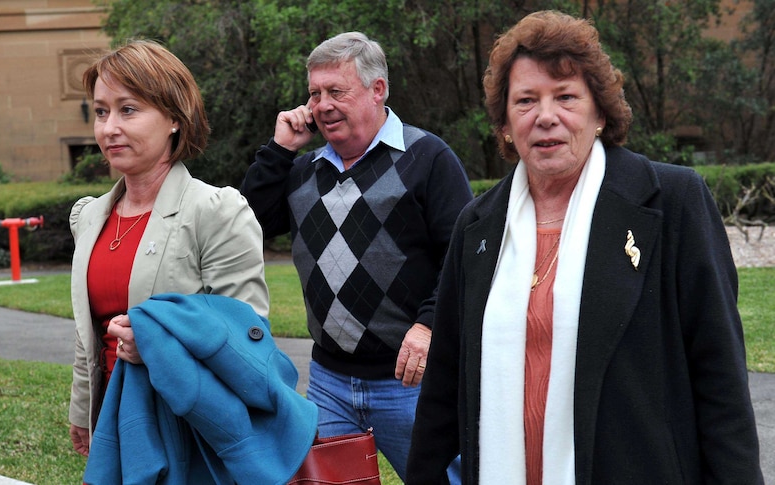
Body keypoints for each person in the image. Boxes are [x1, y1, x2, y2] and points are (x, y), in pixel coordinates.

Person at [407, 10, 763, 485]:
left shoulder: (673, 202)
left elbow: (720, 377)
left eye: (566, 97)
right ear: (507, 124)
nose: (546, 116)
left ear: (600, 112)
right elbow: (444, 385)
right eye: (526, 100)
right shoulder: (478, 224)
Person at [240, 31, 471, 482]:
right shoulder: (304, 169)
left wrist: (427, 326)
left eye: (335, 91)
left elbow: (463, 258)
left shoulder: (427, 158)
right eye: (314, 93)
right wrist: (280, 150)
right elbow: (249, 225)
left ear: (377, 89)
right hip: (329, 381)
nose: (321, 105)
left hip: (411, 382)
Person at [68, 40, 270, 459]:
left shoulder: (215, 210)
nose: (109, 128)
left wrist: (159, 348)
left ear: (175, 120)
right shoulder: (89, 217)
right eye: (101, 111)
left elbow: (248, 337)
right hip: (112, 413)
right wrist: (83, 410)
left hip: (186, 424)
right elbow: (87, 335)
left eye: (128, 109)